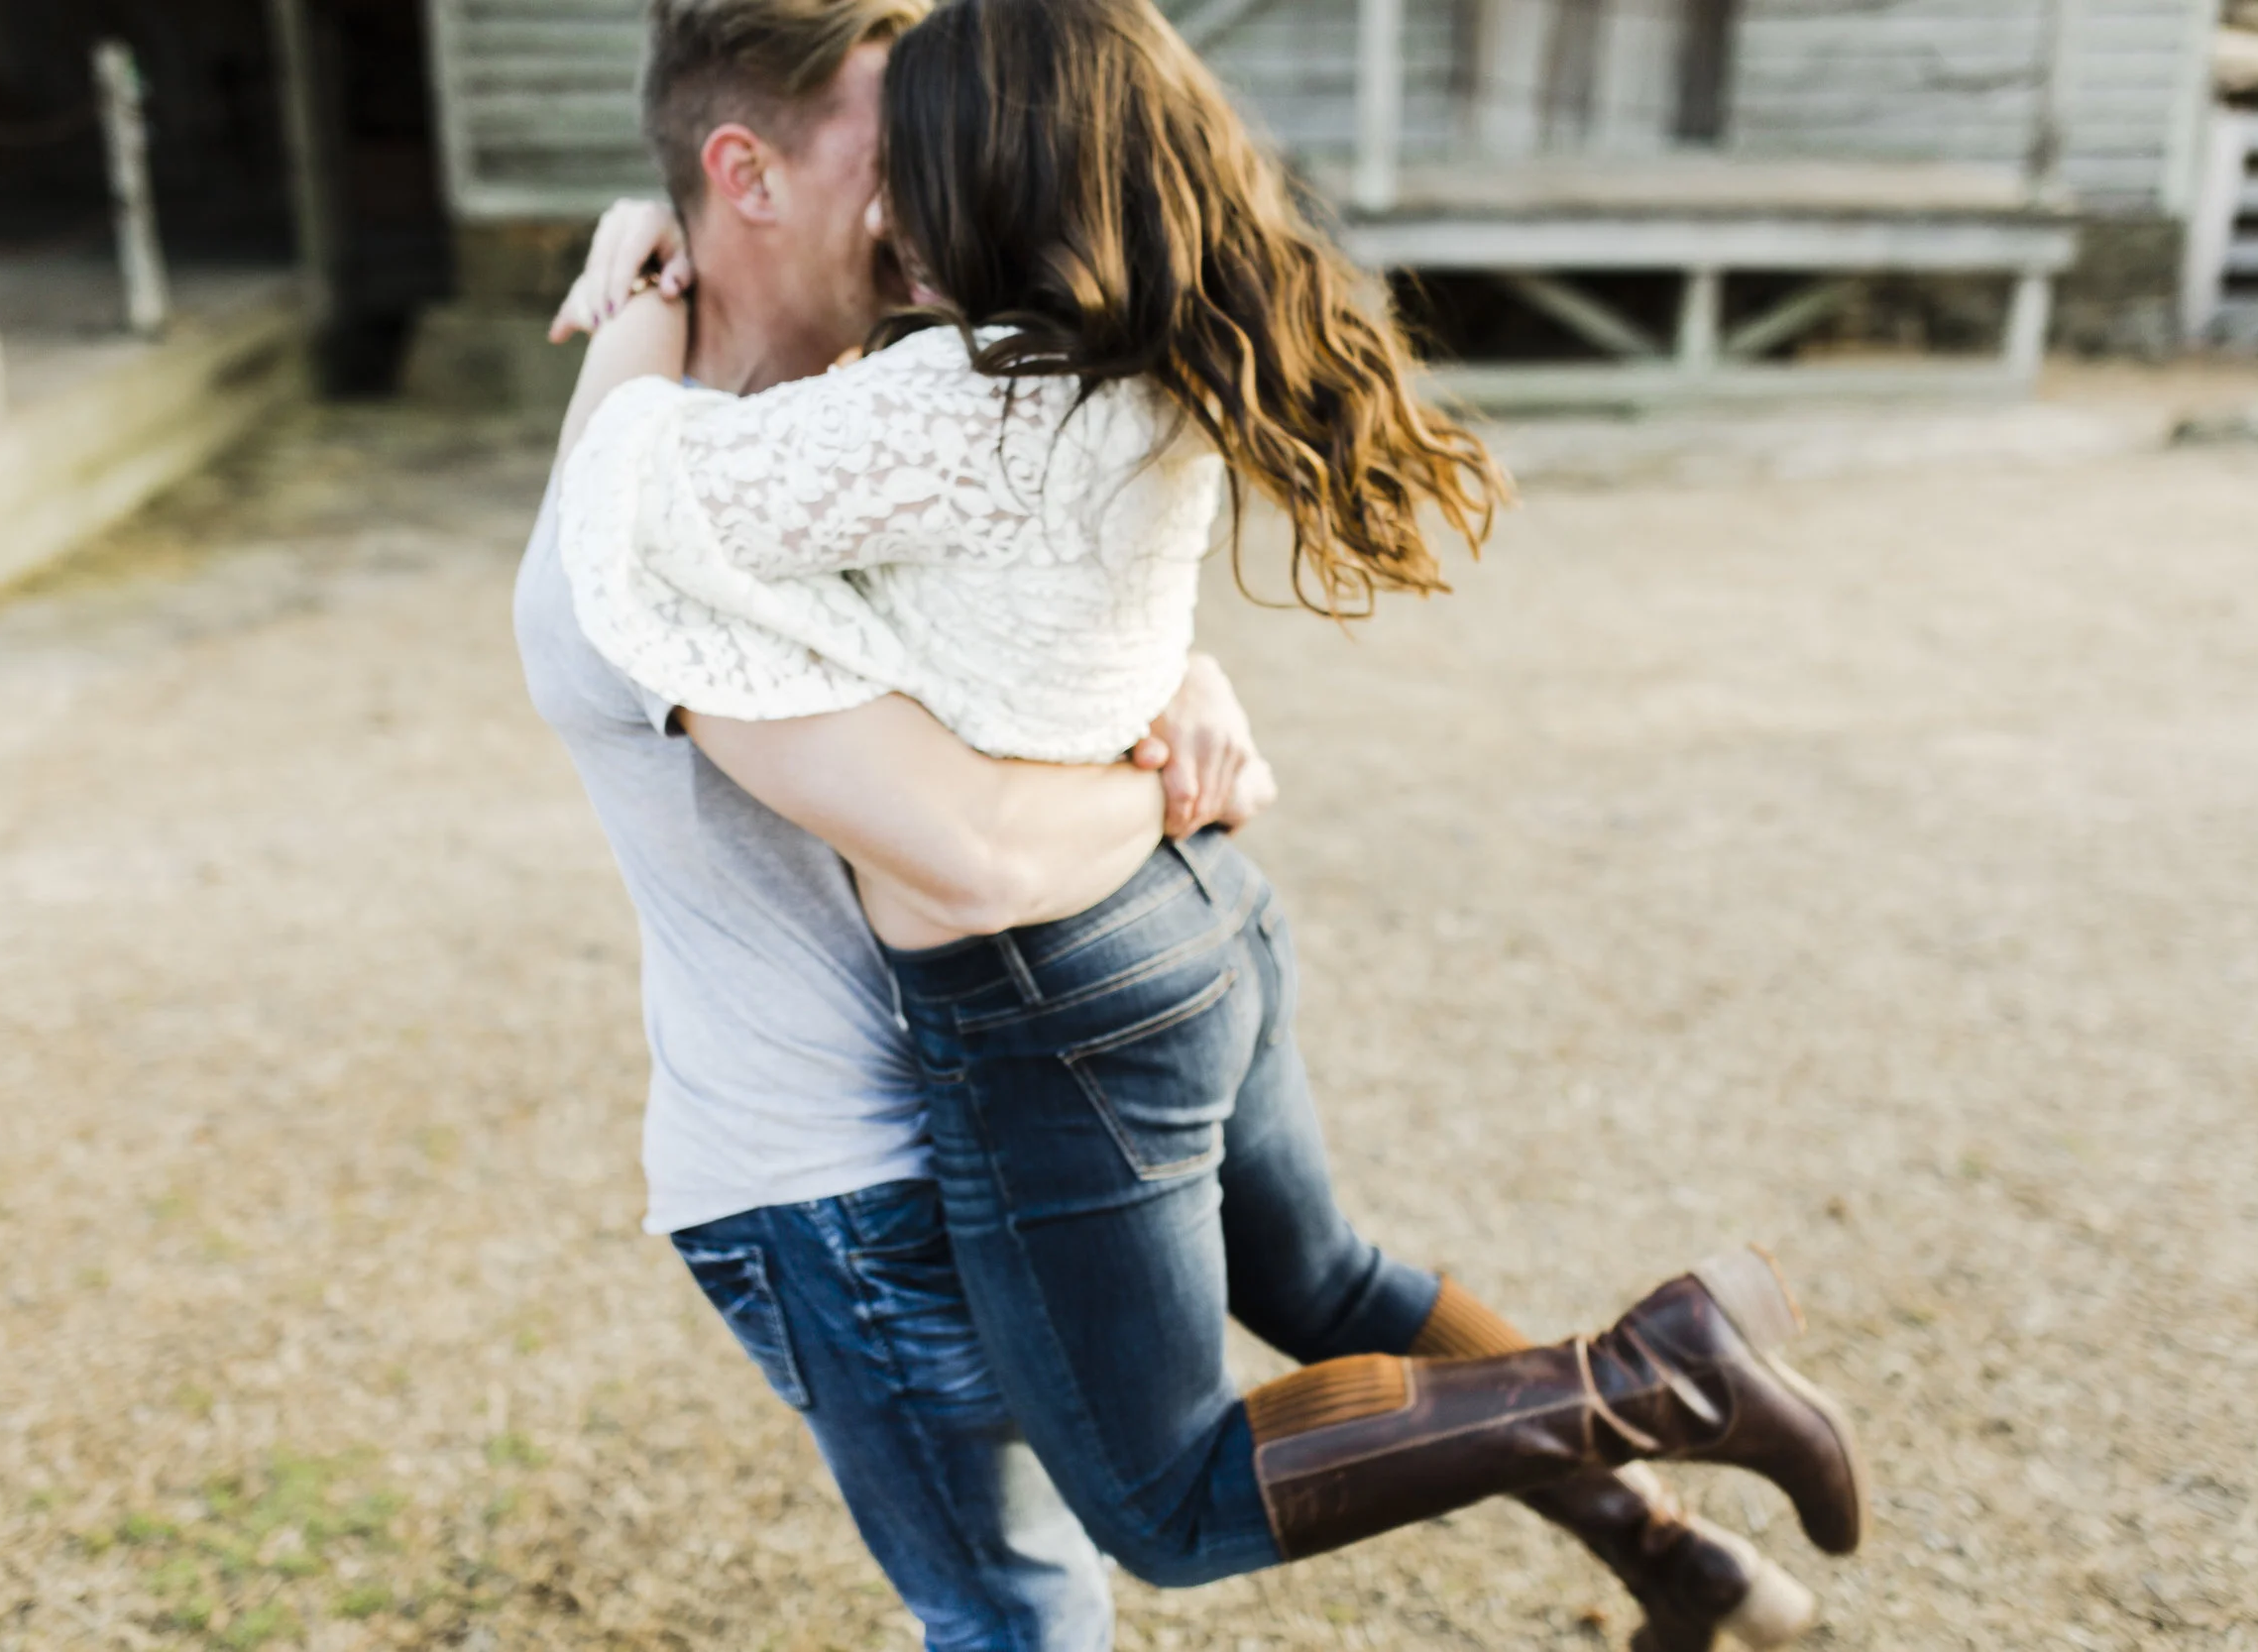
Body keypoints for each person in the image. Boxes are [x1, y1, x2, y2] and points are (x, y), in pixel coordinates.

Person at [543, 1, 1863, 1648]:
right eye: (888, 165)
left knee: (1140, 1523)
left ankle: (1644, 1382)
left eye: (924, 168)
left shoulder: (902, 412)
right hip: (1188, 915)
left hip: (998, 1042)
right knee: (1333, 1283)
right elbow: (987, 600)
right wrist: (1166, 721)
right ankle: (1682, 1558)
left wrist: (634, 283)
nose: (897, 216)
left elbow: (923, 798)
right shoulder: (1084, 368)